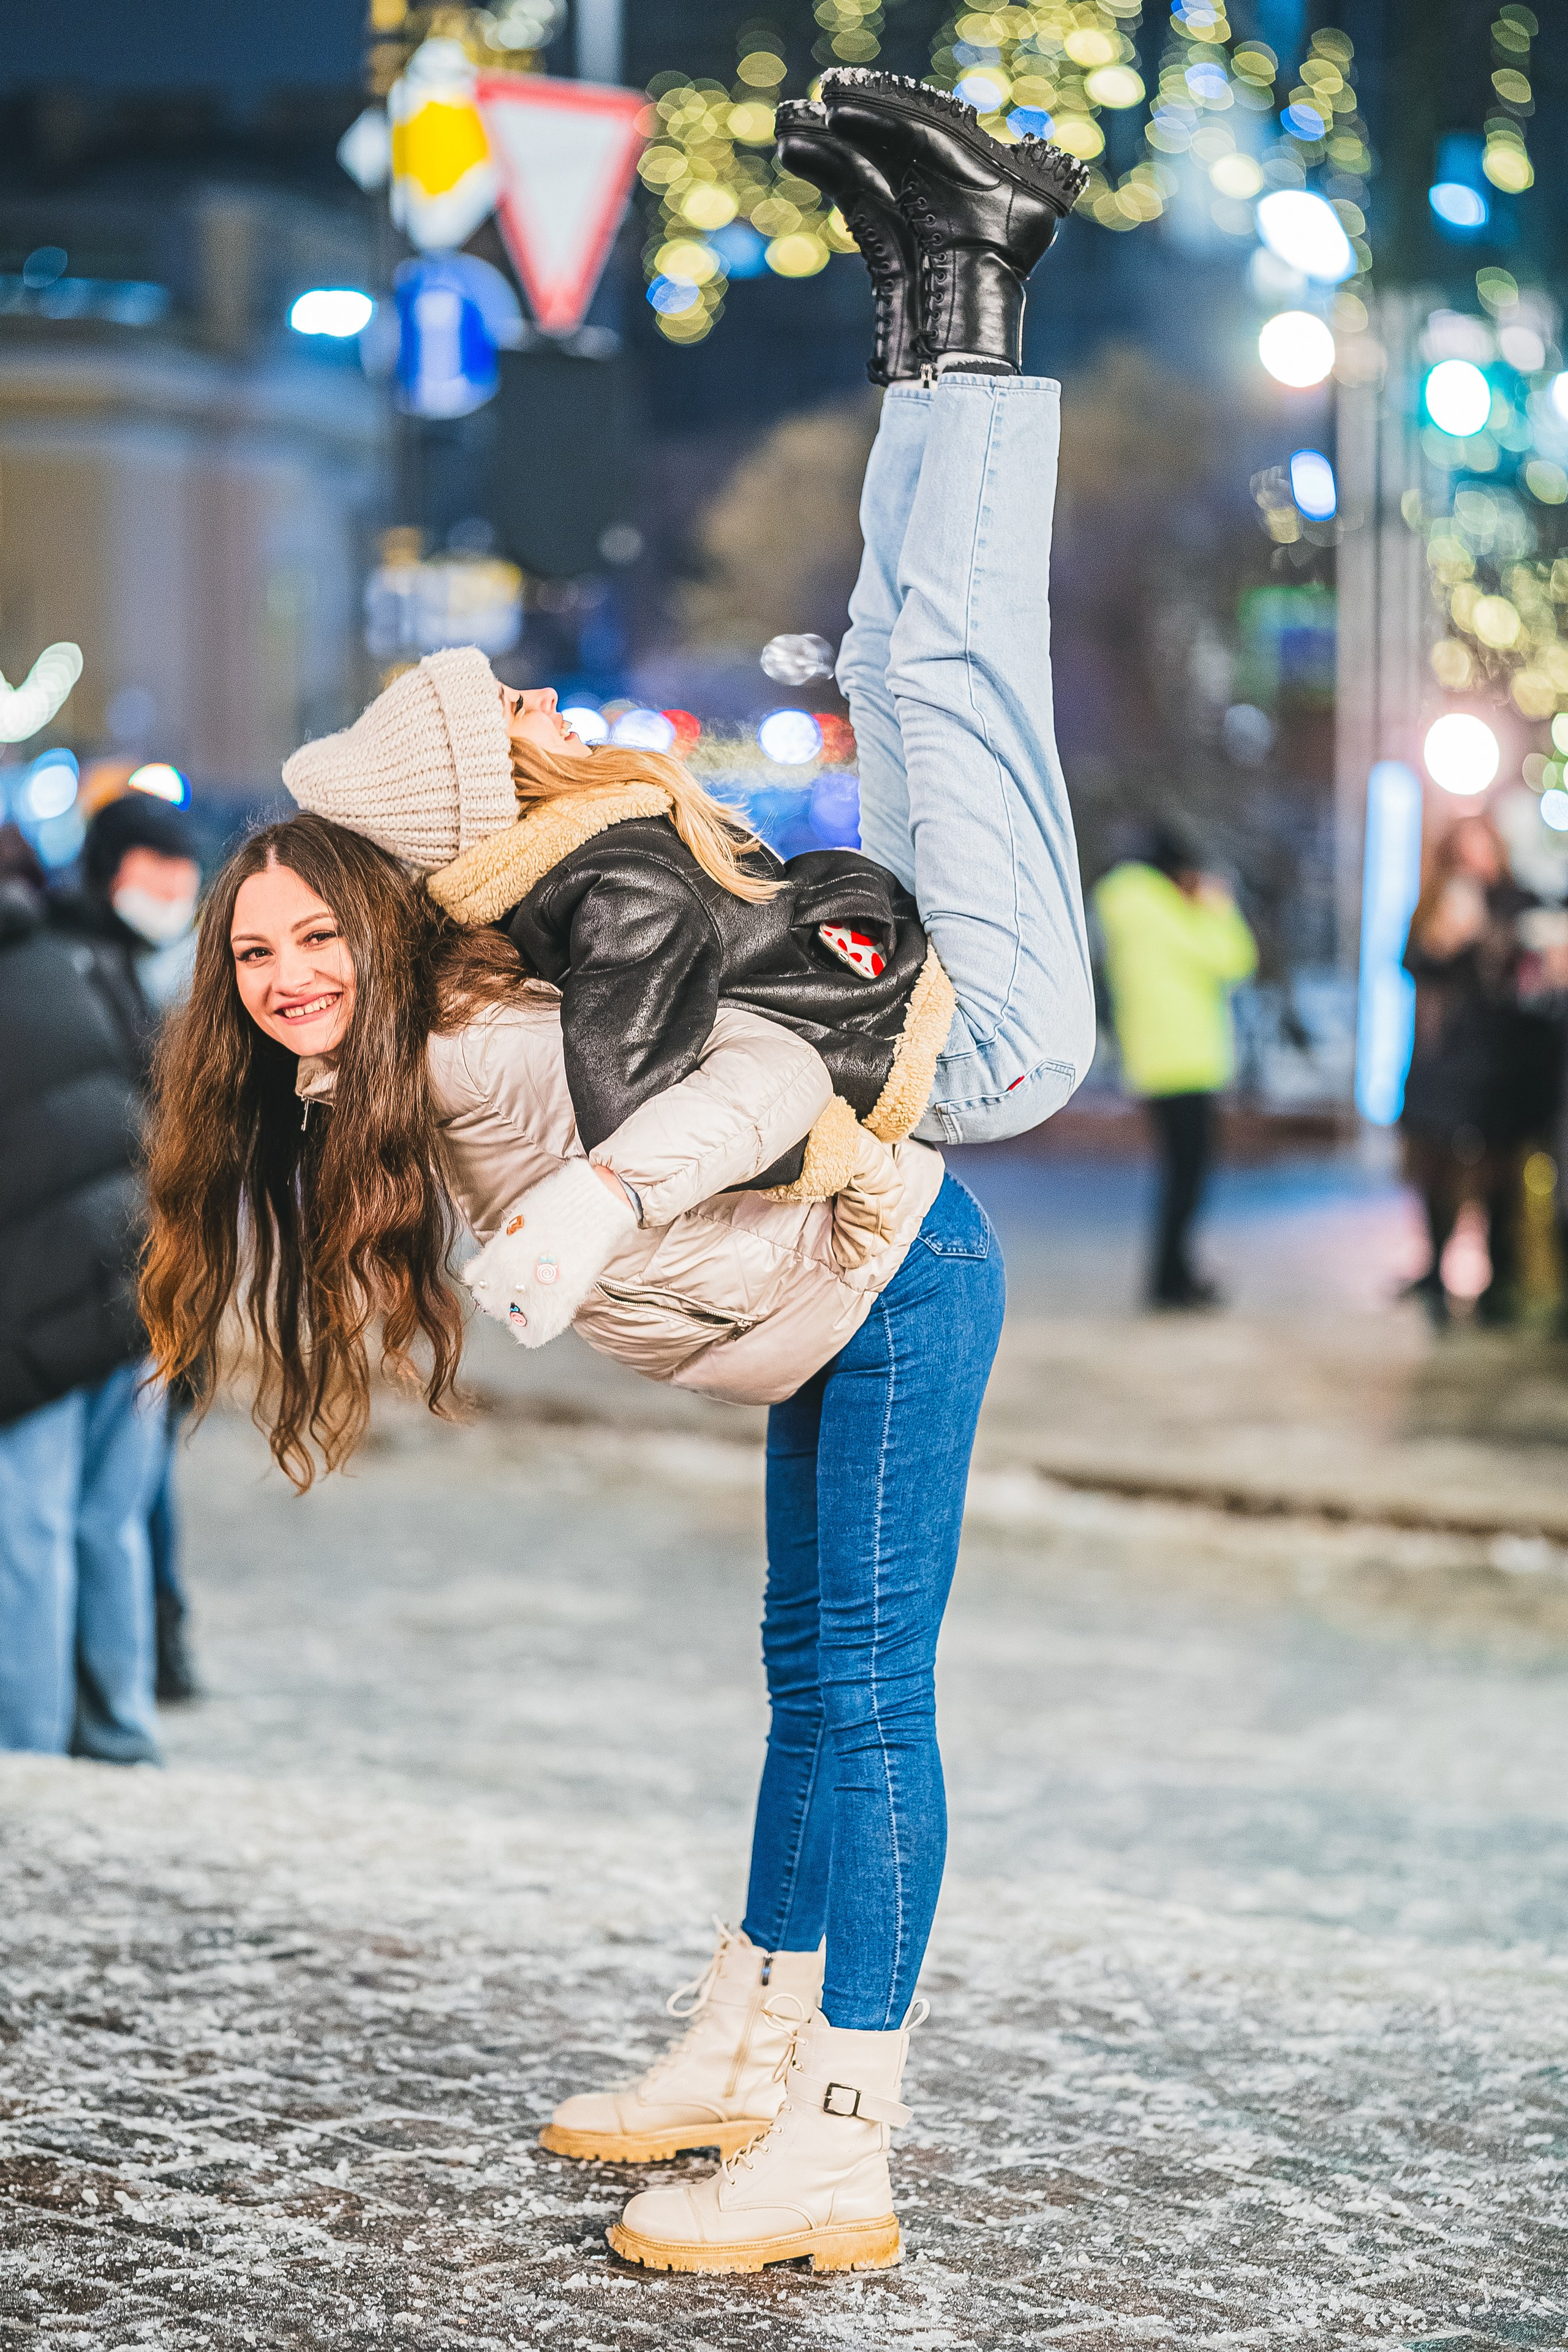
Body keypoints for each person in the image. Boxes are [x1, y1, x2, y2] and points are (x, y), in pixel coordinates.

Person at [140, 74, 1094, 2279]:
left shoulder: (496, 1007)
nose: (285, 975)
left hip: (936, 1133)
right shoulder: (391, 1047)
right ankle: (744, 2047)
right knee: (809, 1675)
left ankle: (831, 2143)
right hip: (861, 1227)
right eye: (253, 950)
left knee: (928, 664)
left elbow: (760, 1076)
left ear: (387, 910)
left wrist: (585, 1208)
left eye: (315, 932)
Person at [0, 826, 165, 1765]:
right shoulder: (74, 964)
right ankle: (120, 1730)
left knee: (27, 1530)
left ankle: (24, 1752)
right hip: (131, 1278)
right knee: (111, 1522)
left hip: (38, 1304)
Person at [55, 792, 205, 1698]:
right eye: (161, 871)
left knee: (128, 1495)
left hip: (147, 1272)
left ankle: (151, 1654)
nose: (178, 889)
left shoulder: (145, 972)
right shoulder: (91, 973)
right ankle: (135, 1666)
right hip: (112, 1276)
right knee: (117, 1499)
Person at [1400, 810, 1558, 1327]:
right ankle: (1435, 1279)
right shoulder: (1437, 904)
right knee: (1440, 1174)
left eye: (1482, 846)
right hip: (1447, 1063)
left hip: (1511, 1063)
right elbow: (1414, 964)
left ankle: (1500, 1285)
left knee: (1502, 1178)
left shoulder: (1521, 902)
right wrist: (1447, 934)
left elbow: (1538, 978)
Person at [1093, 823, 1258, 1310]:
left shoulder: (1124, 906)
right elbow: (1234, 960)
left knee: (1179, 1173)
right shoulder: (1170, 912)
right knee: (1189, 1175)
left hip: (1152, 1059)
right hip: (1188, 1060)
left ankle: (1173, 1273)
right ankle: (1171, 1281)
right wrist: (1218, 906)